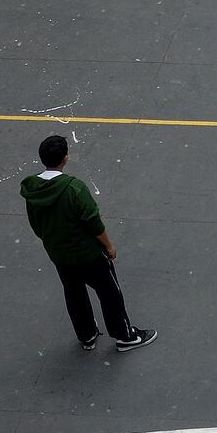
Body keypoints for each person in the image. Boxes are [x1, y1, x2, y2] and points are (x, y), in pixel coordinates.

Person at [21, 133, 156, 353]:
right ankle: (124, 335)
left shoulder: (32, 190)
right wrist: (109, 246)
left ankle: (87, 335)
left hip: (60, 255)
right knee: (109, 292)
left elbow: (37, 226)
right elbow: (93, 222)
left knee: (74, 294)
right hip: (88, 254)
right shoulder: (74, 188)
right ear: (65, 158)